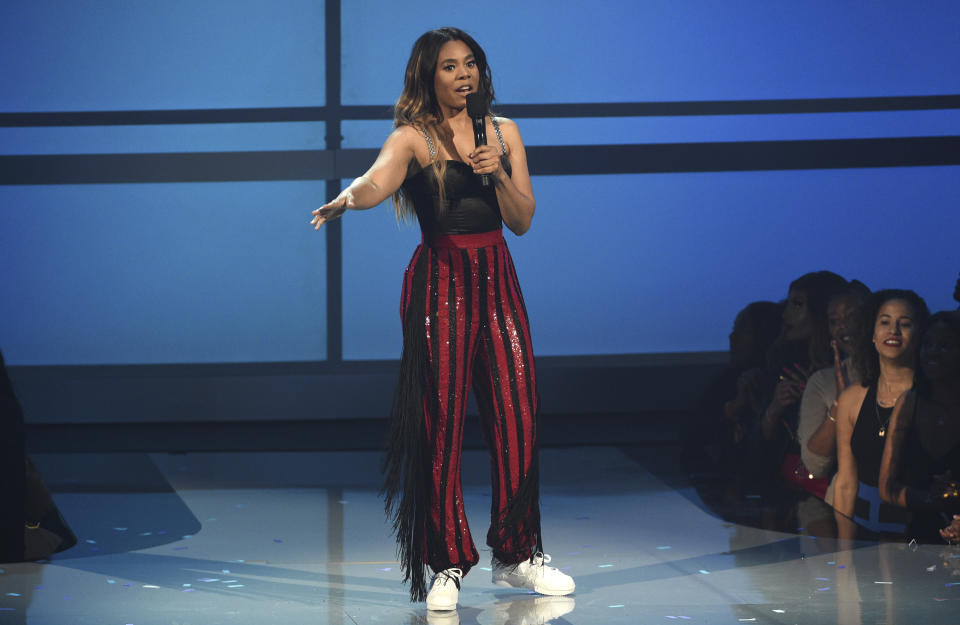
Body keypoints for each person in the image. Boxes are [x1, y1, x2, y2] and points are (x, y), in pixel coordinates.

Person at [310, 28, 574, 610]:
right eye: (451, 66)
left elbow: (523, 219)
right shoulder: (413, 137)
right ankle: (447, 561)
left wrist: (497, 171)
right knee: (440, 424)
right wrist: (349, 197)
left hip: (497, 281)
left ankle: (517, 551)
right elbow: (379, 180)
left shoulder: (503, 133)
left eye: (471, 63)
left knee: (517, 413)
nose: (464, 74)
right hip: (441, 286)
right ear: (428, 76)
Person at [833, 290, 930, 538]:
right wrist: (844, 561)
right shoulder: (852, 399)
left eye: (905, 324)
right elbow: (845, 483)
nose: (894, 331)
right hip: (864, 534)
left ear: (919, 335)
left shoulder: (933, 397)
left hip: (922, 536)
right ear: (872, 334)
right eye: (885, 322)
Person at [878, 310, 960, 541]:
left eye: (945, 346)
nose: (933, 352)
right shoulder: (908, 403)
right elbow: (887, 489)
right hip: (922, 540)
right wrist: (930, 499)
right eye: (928, 344)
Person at [796, 283, 870, 504]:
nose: (843, 327)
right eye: (834, 321)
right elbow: (815, 465)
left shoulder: (907, 374)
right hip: (846, 506)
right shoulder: (823, 381)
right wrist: (840, 404)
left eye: (852, 316)